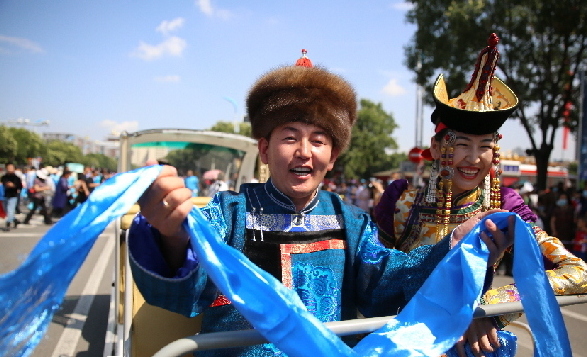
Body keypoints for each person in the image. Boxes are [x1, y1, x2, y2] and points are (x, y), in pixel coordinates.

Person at [127, 51, 513, 357]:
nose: (304, 152)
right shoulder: (229, 214)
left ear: (333, 157)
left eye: (318, 140)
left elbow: (388, 282)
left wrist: (454, 245)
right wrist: (170, 232)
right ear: (264, 148)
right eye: (289, 137)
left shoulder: (351, 221)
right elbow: (184, 283)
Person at [374, 33, 587, 356]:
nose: (474, 159)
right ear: (436, 148)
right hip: (402, 344)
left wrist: (489, 308)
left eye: (485, 146)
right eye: (462, 145)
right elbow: (373, 277)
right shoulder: (400, 202)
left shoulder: (504, 207)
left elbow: (578, 272)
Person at [1, 163, 23, 231]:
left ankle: (8, 225)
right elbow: (4, 183)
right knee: (7, 211)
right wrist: (7, 184)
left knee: (10, 210)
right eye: (8, 167)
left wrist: (14, 186)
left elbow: (20, 186)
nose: (10, 169)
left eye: (11, 167)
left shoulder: (17, 178)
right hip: (5, 195)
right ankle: (15, 220)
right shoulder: (4, 177)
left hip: (13, 196)